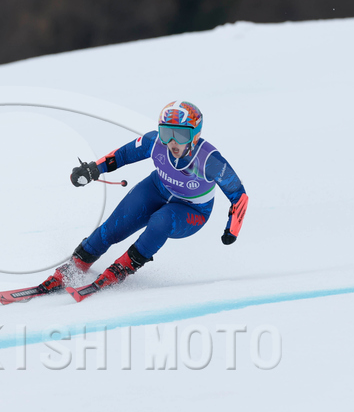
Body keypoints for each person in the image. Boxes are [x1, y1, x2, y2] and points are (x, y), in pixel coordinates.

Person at [39, 100, 248, 297]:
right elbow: (122, 155)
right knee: (113, 227)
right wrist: (93, 169)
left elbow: (239, 195)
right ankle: (74, 268)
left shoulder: (209, 160)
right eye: (166, 133)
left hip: (193, 210)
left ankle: (121, 269)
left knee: (161, 220)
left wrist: (232, 230)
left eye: (181, 135)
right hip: (156, 189)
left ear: (196, 135)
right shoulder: (154, 142)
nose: (172, 142)